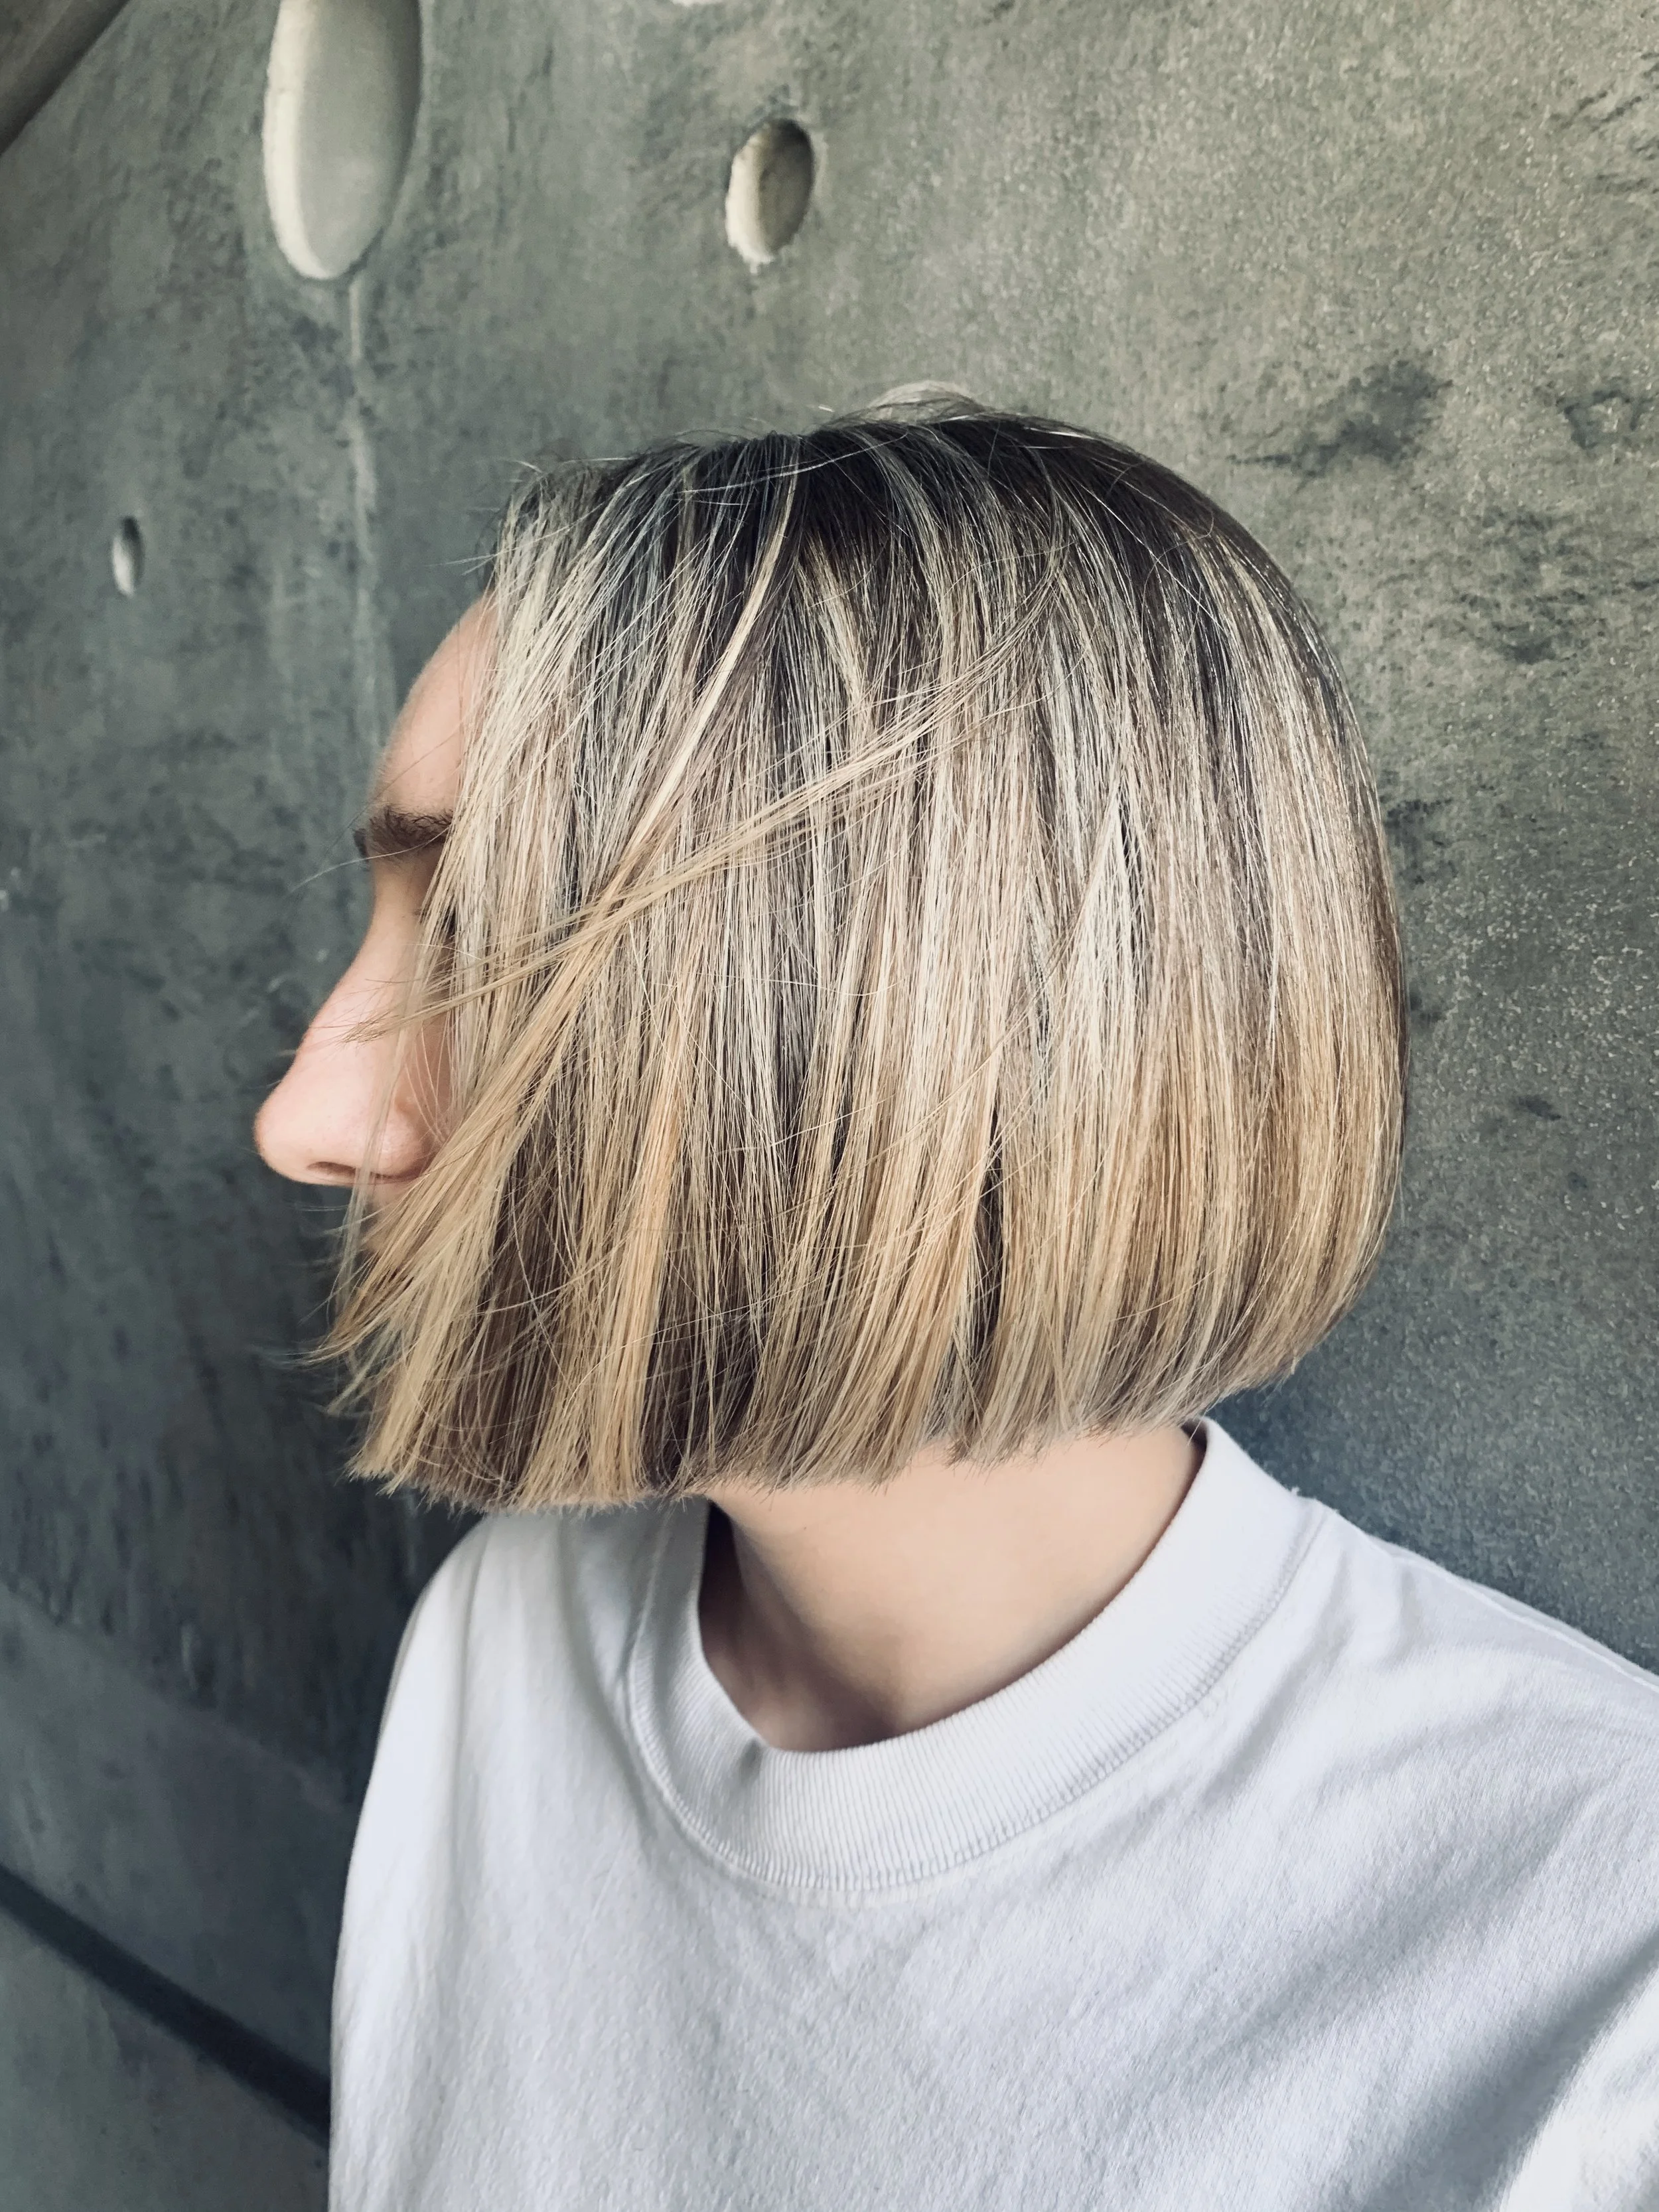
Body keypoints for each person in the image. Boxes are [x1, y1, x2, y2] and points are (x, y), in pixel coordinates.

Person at [255, 396, 1659, 2211]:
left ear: (881, 1042)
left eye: (477, 943)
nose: (304, 1116)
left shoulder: (1593, 1987)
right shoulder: (502, 1642)